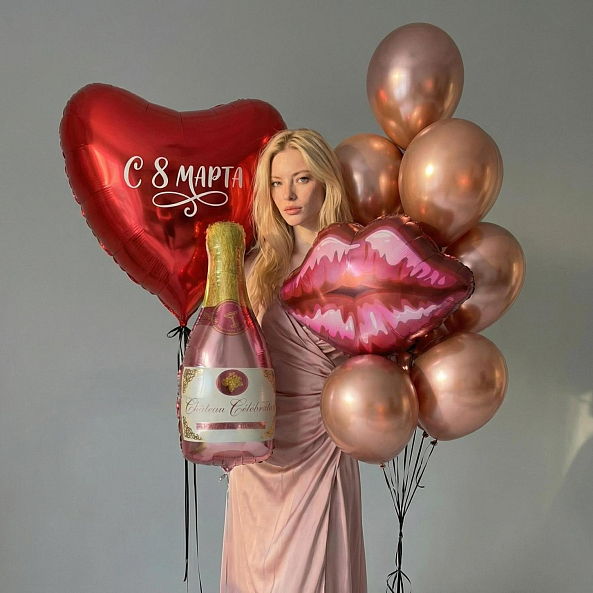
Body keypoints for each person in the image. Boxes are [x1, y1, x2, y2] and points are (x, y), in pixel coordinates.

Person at [220, 129, 368, 593]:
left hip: (323, 441)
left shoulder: (358, 264)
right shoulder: (255, 268)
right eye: (277, 183)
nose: (287, 195)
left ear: (326, 182)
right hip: (259, 451)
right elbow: (233, 359)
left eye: (301, 179)